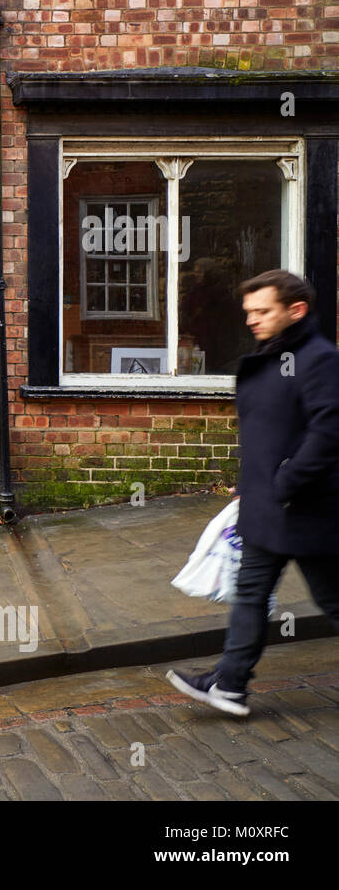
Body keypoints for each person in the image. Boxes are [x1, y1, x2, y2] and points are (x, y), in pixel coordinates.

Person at [168, 269, 339, 716]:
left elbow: (328, 432)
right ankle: (229, 684)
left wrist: (284, 483)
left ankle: (230, 681)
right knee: (250, 593)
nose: (252, 320)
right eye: (249, 312)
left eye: (262, 311)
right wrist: (253, 489)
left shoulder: (319, 359)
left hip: (309, 510)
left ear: (295, 310)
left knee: (332, 599)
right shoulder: (276, 353)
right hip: (268, 507)